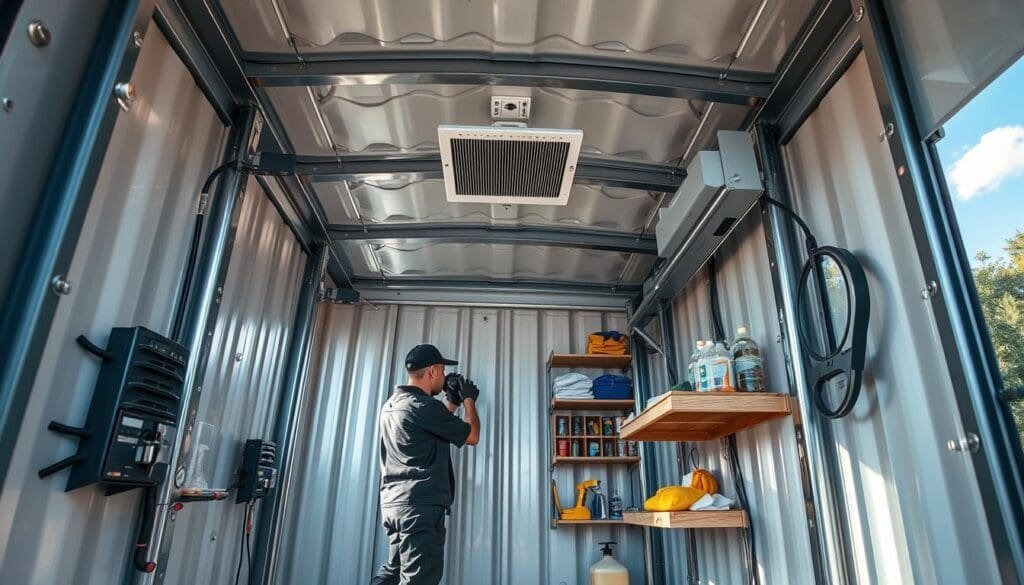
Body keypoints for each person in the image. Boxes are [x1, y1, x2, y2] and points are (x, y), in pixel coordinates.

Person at [370, 344, 482, 585]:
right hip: (419, 508)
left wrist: (451, 400)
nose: (443, 375)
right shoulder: (424, 406)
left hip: (395, 506)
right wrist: (468, 399)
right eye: (441, 370)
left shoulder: (392, 405)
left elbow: (434, 425)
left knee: (393, 573)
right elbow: (472, 435)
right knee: (420, 579)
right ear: (432, 371)